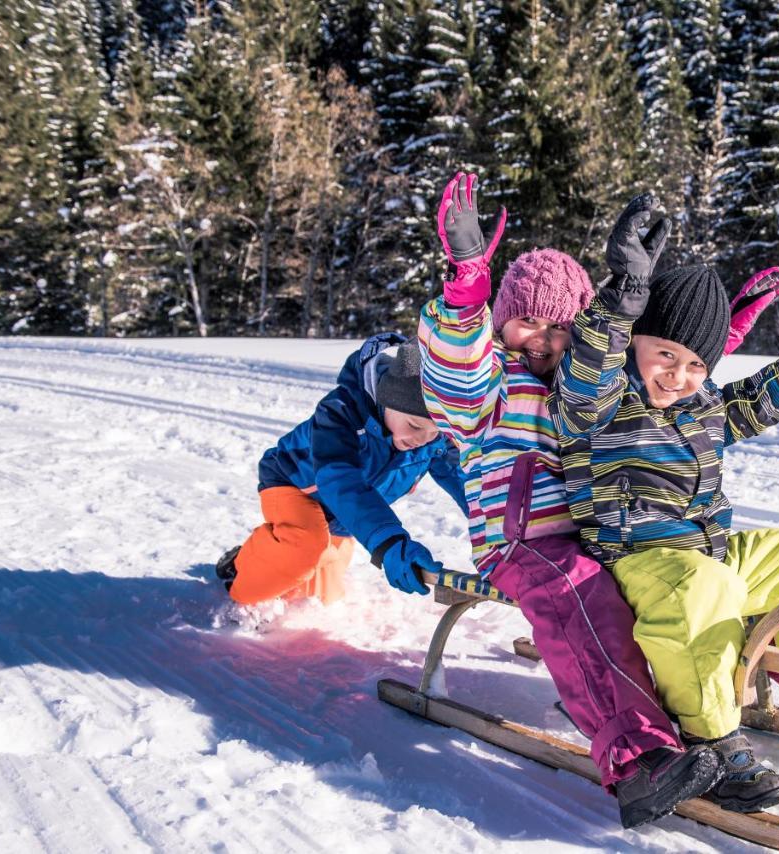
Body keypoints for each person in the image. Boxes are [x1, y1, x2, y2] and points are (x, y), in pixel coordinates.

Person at [550, 194, 779, 814]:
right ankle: (711, 737)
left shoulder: (701, 405)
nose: (676, 375)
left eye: (693, 365)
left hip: (706, 555)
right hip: (633, 565)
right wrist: (624, 294)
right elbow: (589, 365)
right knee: (701, 590)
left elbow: (755, 401)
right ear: (635, 344)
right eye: (663, 354)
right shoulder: (597, 402)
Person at [416, 172, 724, 829]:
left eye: (561, 325)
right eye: (528, 319)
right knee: (580, 596)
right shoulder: (489, 386)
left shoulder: (587, 385)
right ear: (504, 323)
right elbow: (451, 366)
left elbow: (655, 369)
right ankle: (638, 761)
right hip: (523, 545)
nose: (545, 338)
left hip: (596, 536)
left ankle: (714, 706)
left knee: (677, 579)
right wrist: (468, 281)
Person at [215, 333, 466, 606]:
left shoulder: (433, 440)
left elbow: (466, 481)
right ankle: (238, 581)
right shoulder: (341, 413)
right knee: (303, 547)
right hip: (295, 485)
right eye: (415, 426)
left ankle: (271, 554)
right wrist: (389, 541)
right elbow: (340, 480)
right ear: (387, 400)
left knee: (318, 597)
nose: (422, 439)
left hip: (343, 514)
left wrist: (500, 528)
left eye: (435, 432)